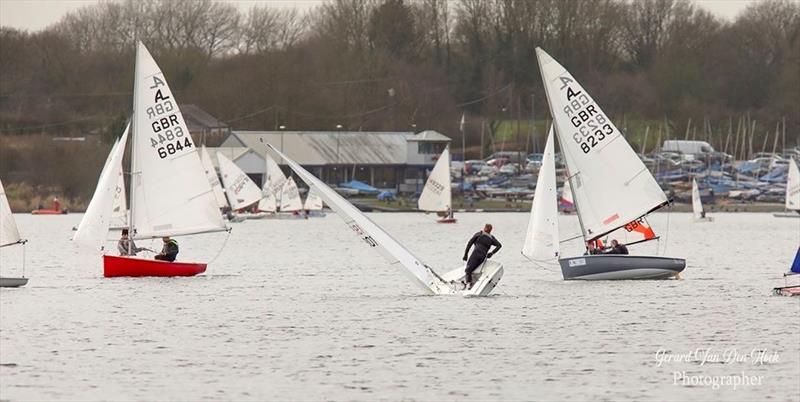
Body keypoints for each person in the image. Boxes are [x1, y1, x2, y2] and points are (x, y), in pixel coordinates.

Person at [462, 224, 502, 289]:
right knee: (474, 269)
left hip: (475, 254)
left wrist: (465, 255)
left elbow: (469, 243)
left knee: (468, 270)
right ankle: (471, 281)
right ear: (491, 230)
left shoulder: (479, 234)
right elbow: (499, 245)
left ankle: (468, 285)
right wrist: (491, 253)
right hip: (483, 257)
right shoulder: (491, 238)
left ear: (484, 228)